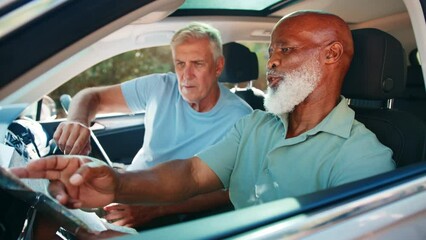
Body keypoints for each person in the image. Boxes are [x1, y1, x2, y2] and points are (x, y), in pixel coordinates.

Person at [11, 10, 395, 234]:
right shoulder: (258, 126)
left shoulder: (363, 157)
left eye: (286, 50)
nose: (272, 62)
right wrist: (118, 183)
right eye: (271, 50)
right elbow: (192, 175)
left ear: (331, 55)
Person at [51, 22, 252, 228]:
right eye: (180, 64)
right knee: (52, 205)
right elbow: (91, 96)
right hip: (127, 187)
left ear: (218, 66)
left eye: (197, 63)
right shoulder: (160, 87)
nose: (186, 75)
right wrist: (77, 120)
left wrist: (156, 209)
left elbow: (232, 191)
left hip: (173, 213)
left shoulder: (241, 118)